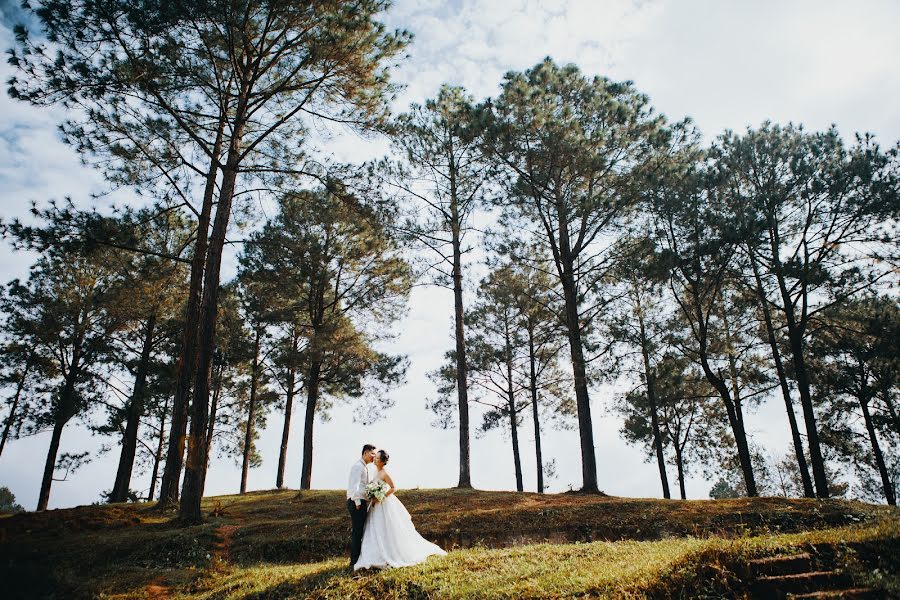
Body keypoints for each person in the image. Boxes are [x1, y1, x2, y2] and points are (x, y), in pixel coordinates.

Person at [354, 449, 447, 570]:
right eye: (375, 457)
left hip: (383, 503)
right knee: (375, 528)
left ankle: (390, 552)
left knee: (387, 527)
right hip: (375, 504)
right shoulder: (375, 471)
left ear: (382, 461)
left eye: (377, 458)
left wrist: (381, 496)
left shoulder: (384, 473)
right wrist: (372, 494)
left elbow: (393, 488)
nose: (375, 459)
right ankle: (374, 553)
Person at [347, 443, 376, 570]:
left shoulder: (365, 467)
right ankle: (354, 561)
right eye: (372, 453)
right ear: (365, 453)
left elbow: (364, 485)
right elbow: (354, 485)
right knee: (357, 531)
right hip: (356, 502)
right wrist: (358, 502)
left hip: (361, 501)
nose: (374, 456)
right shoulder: (358, 466)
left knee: (360, 530)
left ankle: (358, 558)